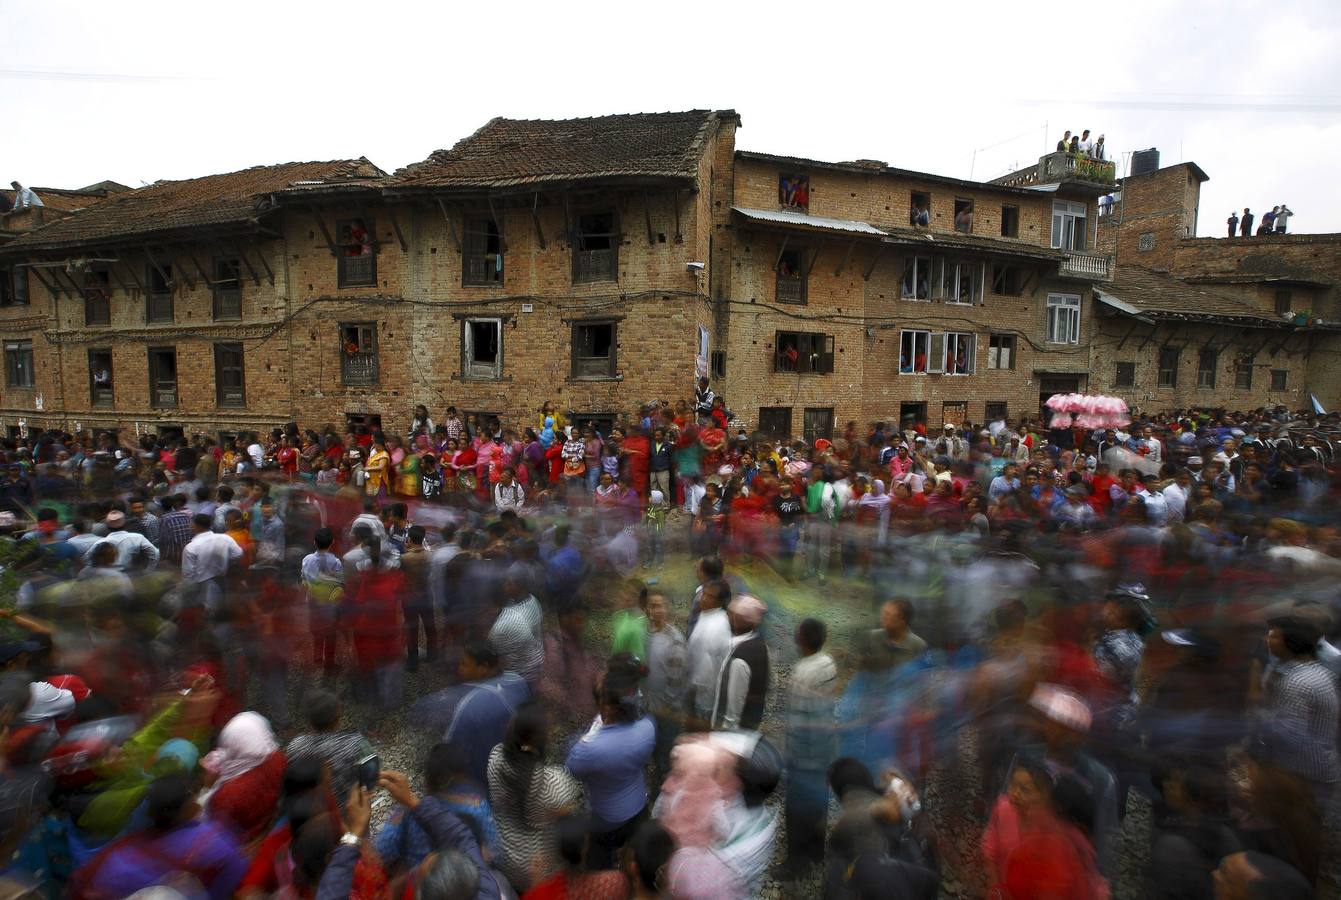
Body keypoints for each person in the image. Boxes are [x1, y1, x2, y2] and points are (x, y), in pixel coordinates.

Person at [564, 662, 656, 868]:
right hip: (638, 806)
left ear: (607, 706)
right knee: (632, 854)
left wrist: (589, 733)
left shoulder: (590, 749)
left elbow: (571, 767)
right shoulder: (648, 727)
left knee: (600, 861)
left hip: (607, 818)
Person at [487, 702, 583, 892]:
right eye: (551, 729)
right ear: (543, 740)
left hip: (500, 850)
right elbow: (568, 810)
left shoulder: (495, 757)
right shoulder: (554, 782)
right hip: (535, 866)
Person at [410, 640, 531, 788]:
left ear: (483, 668)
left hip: (485, 773)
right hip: (520, 759)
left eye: (464, 664)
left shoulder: (468, 705)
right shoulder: (517, 679)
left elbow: (450, 748)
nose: (459, 668)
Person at [374, 741, 501, 877]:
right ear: (461, 776)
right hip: (466, 883)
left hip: (419, 884)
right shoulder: (478, 806)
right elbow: (495, 854)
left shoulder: (405, 809)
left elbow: (382, 852)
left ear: (427, 778)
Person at [781, 617, 838, 880]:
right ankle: (817, 851)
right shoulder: (828, 663)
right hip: (824, 750)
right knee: (819, 804)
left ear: (801, 639)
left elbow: (797, 721)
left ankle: (796, 863)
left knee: (796, 810)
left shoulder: (801, 673)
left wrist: (791, 756)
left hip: (805, 756)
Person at [284, 690, 374, 813]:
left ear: (309, 720)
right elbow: (371, 776)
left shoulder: (295, 747)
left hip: (316, 815)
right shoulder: (356, 744)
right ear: (337, 718)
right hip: (352, 811)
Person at [712, 593, 771, 731]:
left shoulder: (739, 658)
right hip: (751, 723)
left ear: (737, 619)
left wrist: (725, 732)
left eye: (731, 614)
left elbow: (733, 708)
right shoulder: (760, 643)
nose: (729, 617)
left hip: (735, 732)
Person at [686, 577, 733, 727]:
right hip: (698, 687)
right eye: (703, 593)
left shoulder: (716, 627)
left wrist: (693, 688)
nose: (703, 598)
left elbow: (706, 671)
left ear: (720, 601)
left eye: (709, 596)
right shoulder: (707, 614)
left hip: (705, 695)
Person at [864, 598, 927, 672]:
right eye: (883, 613)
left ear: (902, 620)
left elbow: (922, 676)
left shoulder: (918, 645)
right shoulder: (872, 637)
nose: (882, 617)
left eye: (887, 614)